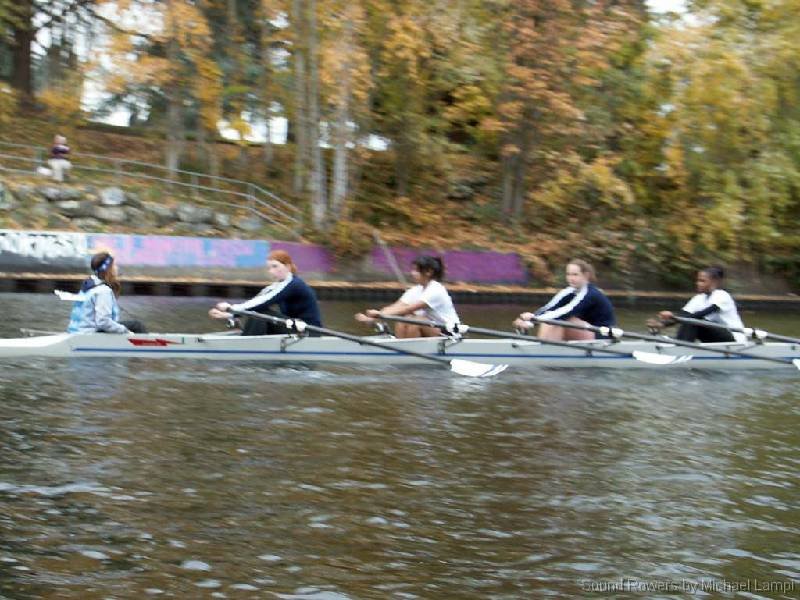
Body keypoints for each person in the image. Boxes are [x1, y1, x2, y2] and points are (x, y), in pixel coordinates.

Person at [209, 250, 322, 336]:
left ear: (287, 267)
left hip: (310, 332)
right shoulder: (276, 286)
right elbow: (255, 301)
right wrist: (231, 314)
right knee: (258, 312)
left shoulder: (294, 284)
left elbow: (263, 302)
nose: (271, 271)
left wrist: (232, 308)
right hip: (294, 328)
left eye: (275, 266)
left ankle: (246, 346)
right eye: (269, 268)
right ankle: (247, 342)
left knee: (261, 312)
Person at [355, 255, 459, 337]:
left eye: (416, 271)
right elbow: (396, 307)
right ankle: (401, 348)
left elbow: (408, 308)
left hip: (449, 332)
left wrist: (379, 315)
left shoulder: (436, 289)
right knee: (404, 320)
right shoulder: (415, 290)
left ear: (428, 272)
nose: (412, 273)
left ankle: (408, 349)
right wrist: (374, 317)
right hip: (433, 329)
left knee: (416, 320)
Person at [513, 259, 616, 341]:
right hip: (586, 333)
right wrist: (531, 317)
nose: (570, 278)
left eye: (575, 275)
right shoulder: (568, 291)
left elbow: (567, 311)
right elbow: (549, 307)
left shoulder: (591, 294)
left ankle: (546, 354)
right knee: (551, 319)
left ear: (586, 275)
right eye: (568, 274)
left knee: (558, 320)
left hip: (602, 336)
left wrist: (533, 321)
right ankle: (545, 351)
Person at [647, 266, 746, 343]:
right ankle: (681, 344)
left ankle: (681, 347)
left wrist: (673, 317)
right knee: (690, 319)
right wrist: (662, 324)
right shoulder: (698, 298)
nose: (698, 283)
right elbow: (684, 315)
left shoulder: (722, 295)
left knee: (694, 320)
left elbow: (701, 314)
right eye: (698, 280)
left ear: (714, 282)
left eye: (702, 281)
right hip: (716, 336)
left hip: (734, 338)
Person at [67, 252, 147, 334]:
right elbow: (103, 322)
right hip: (89, 334)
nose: (116, 267)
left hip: (76, 331)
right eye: (114, 265)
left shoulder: (87, 285)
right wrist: (126, 332)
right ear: (108, 269)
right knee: (137, 326)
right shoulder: (103, 291)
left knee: (132, 325)